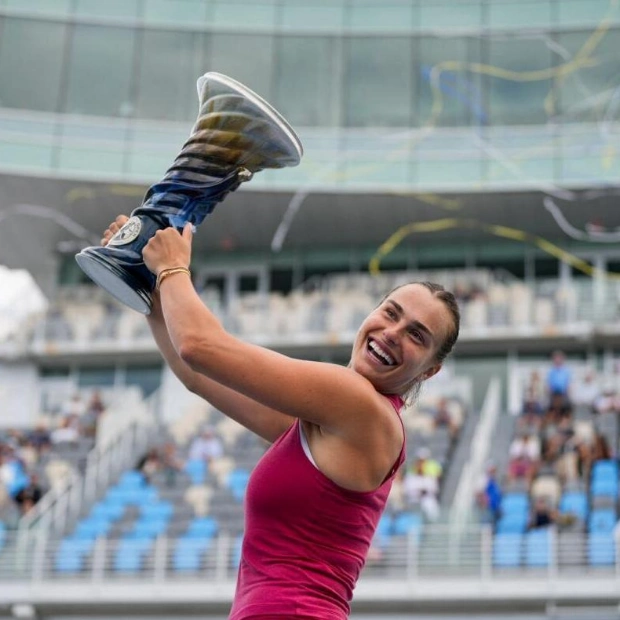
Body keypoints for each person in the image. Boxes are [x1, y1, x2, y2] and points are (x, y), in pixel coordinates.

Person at [101, 215, 461, 620]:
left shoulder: (356, 400)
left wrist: (172, 268)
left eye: (417, 335)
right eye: (390, 312)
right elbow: (196, 377)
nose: (393, 332)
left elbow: (200, 347)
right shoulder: (330, 426)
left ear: (430, 370)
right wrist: (149, 287)